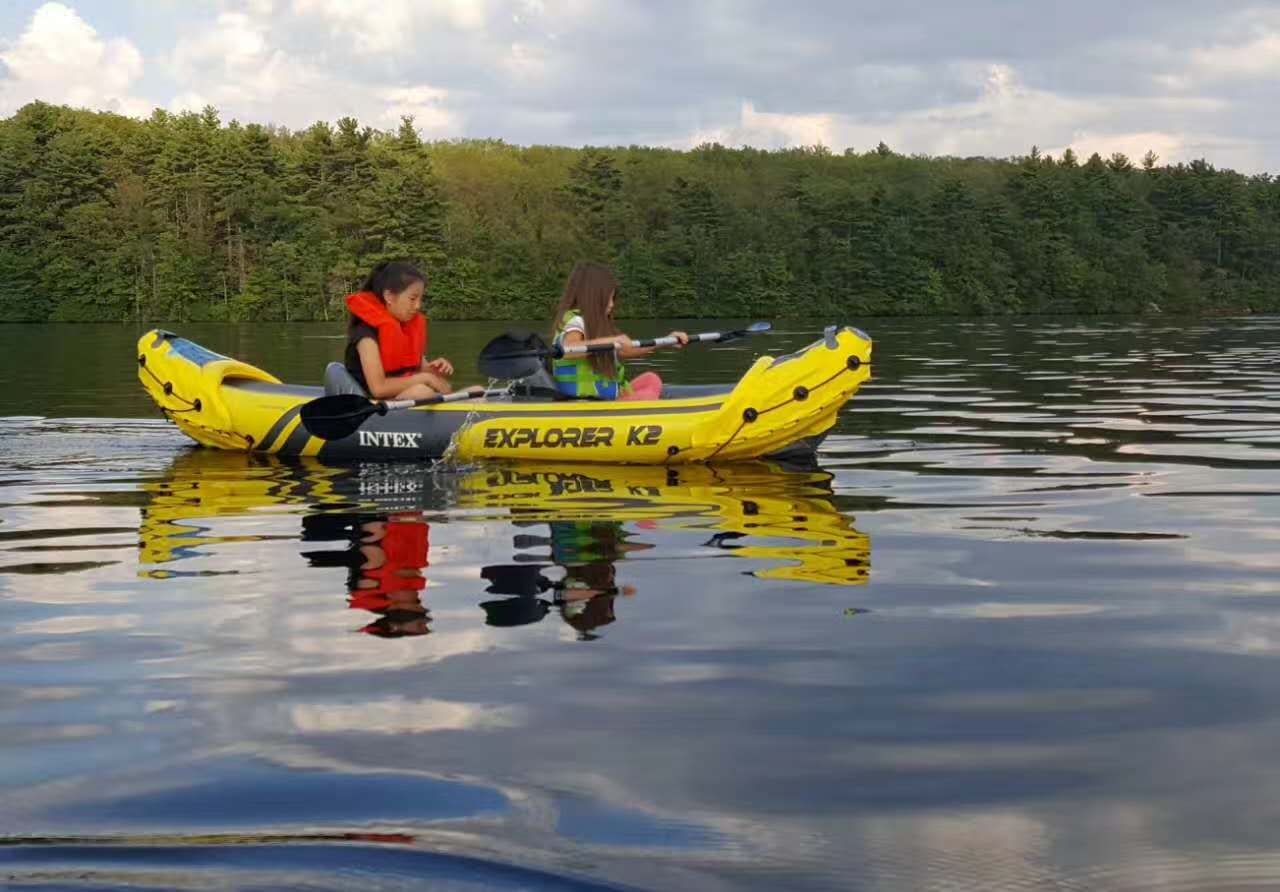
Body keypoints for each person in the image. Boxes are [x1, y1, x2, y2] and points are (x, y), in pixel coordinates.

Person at [549, 262, 688, 400]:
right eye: (608, 298)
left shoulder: (597, 326)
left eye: (613, 298)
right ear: (592, 297)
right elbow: (568, 350)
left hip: (608, 399)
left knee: (651, 379)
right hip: (584, 402)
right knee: (648, 395)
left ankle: (632, 400)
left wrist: (666, 341)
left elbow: (627, 350)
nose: (612, 304)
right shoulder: (576, 321)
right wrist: (614, 340)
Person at [344, 260, 455, 400]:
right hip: (376, 405)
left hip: (408, 397)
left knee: (477, 390)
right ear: (389, 297)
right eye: (412, 299)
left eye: (420, 299)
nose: (418, 306)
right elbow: (378, 389)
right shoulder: (366, 337)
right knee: (421, 391)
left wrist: (435, 371)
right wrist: (426, 378)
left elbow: (422, 371)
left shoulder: (406, 329)